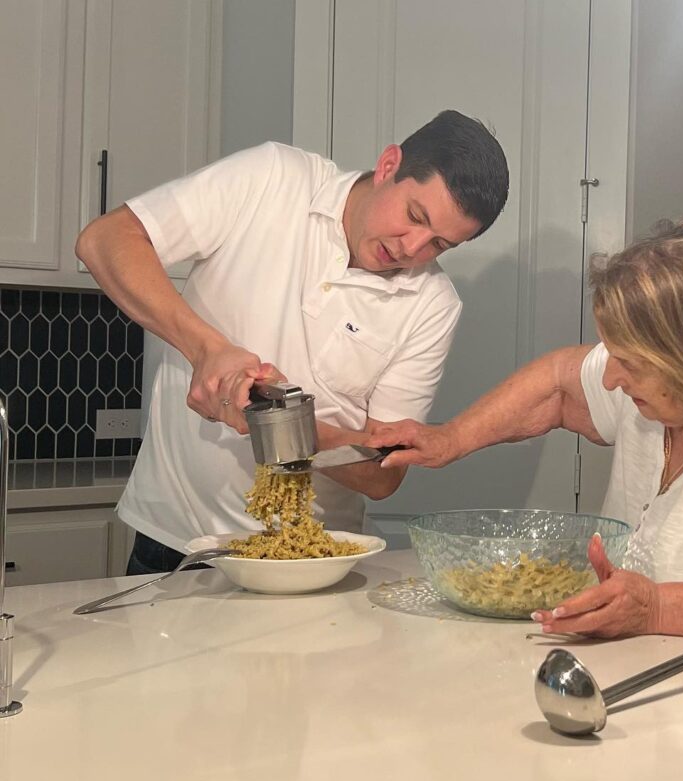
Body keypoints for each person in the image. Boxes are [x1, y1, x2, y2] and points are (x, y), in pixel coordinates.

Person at [368, 217, 683, 643]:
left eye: (630, 365)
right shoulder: (668, 374)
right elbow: (557, 382)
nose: (612, 379)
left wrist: (657, 607)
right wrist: (450, 438)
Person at [76, 110, 509, 575]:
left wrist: (281, 426)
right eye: (414, 216)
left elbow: (383, 472)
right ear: (388, 165)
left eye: (439, 244)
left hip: (307, 559)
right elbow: (106, 239)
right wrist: (207, 349)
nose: (411, 248)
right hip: (176, 539)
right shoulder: (273, 178)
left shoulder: (433, 305)